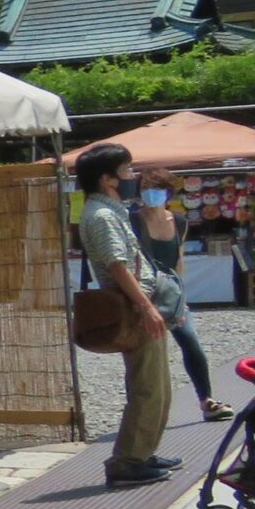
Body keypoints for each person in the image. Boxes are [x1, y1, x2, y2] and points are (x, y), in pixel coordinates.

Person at [77, 141, 176, 487]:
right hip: (133, 306)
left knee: (158, 385)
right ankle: (128, 461)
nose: (132, 176)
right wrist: (147, 307)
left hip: (138, 304)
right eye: (127, 171)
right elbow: (117, 265)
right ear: (108, 179)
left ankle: (144, 451)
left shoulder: (109, 210)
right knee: (148, 386)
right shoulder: (102, 215)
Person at [138, 182, 234, 420]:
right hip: (143, 292)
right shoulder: (133, 220)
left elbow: (179, 258)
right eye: (145, 189)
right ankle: (146, 411)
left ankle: (207, 400)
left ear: (168, 194)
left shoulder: (179, 221)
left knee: (191, 344)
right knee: (147, 354)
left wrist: (180, 296)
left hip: (170, 291)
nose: (151, 195)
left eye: (157, 189)